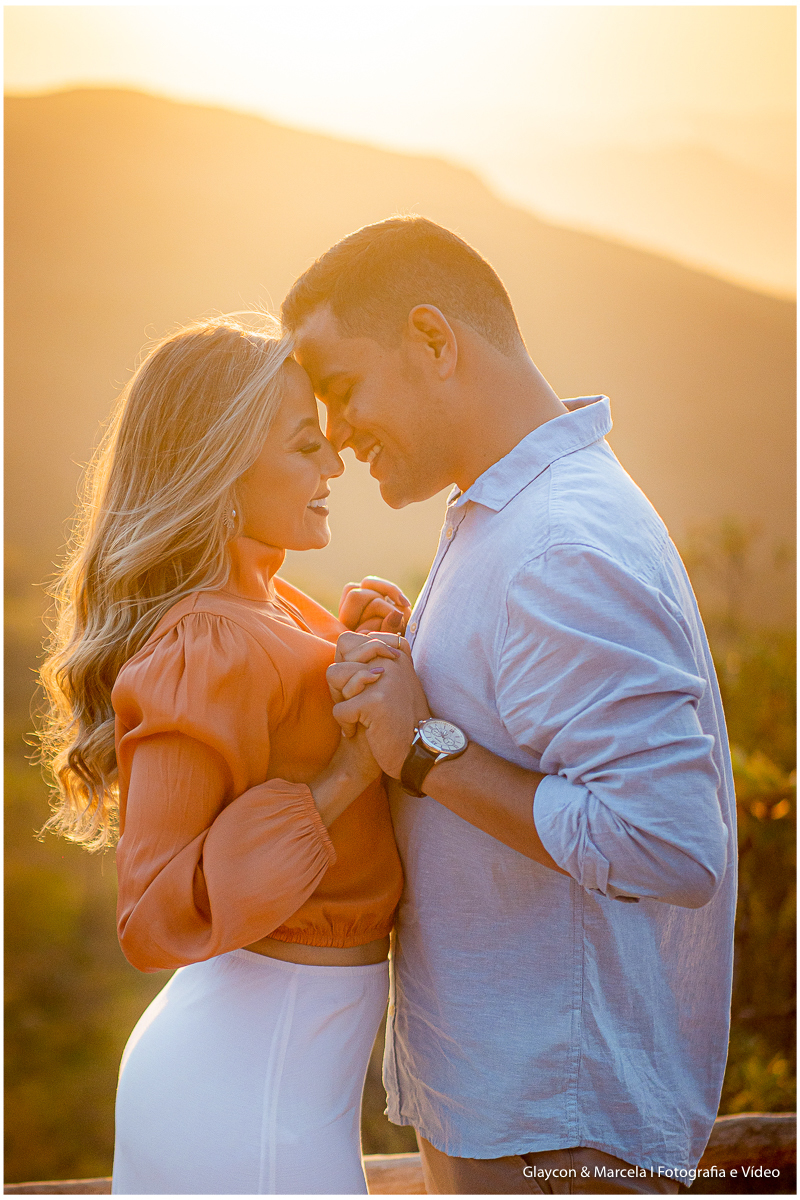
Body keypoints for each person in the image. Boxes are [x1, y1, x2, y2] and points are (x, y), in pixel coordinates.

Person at [281, 216, 737, 1195]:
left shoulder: (559, 543)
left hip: (557, 1141)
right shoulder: (511, 516)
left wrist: (424, 749)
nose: (335, 434)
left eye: (342, 389)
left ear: (432, 339)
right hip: (515, 1117)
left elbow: (668, 845)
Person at [37, 316, 413, 1195]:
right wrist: (346, 774)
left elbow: (285, 732)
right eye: (306, 445)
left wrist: (360, 647)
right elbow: (152, 910)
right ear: (222, 470)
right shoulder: (204, 641)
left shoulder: (274, 607)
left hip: (280, 1081)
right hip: (245, 1095)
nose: (334, 465)